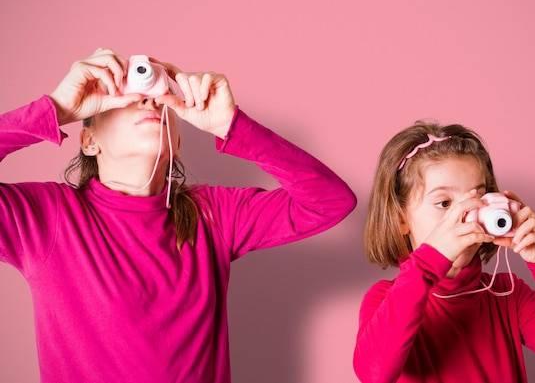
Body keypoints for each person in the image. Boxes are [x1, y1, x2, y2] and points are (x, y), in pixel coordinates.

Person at [0, 48, 356, 382]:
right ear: (89, 141)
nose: (148, 99)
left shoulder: (214, 215)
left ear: (178, 144)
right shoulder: (47, 217)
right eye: (124, 97)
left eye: (158, 96)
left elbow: (331, 201)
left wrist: (232, 125)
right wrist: (55, 109)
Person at [353, 120, 535, 383]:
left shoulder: (508, 294)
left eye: (477, 201)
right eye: (444, 203)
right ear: (400, 219)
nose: (465, 217)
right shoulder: (384, 300)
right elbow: (374, 374)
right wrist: (427, 263)